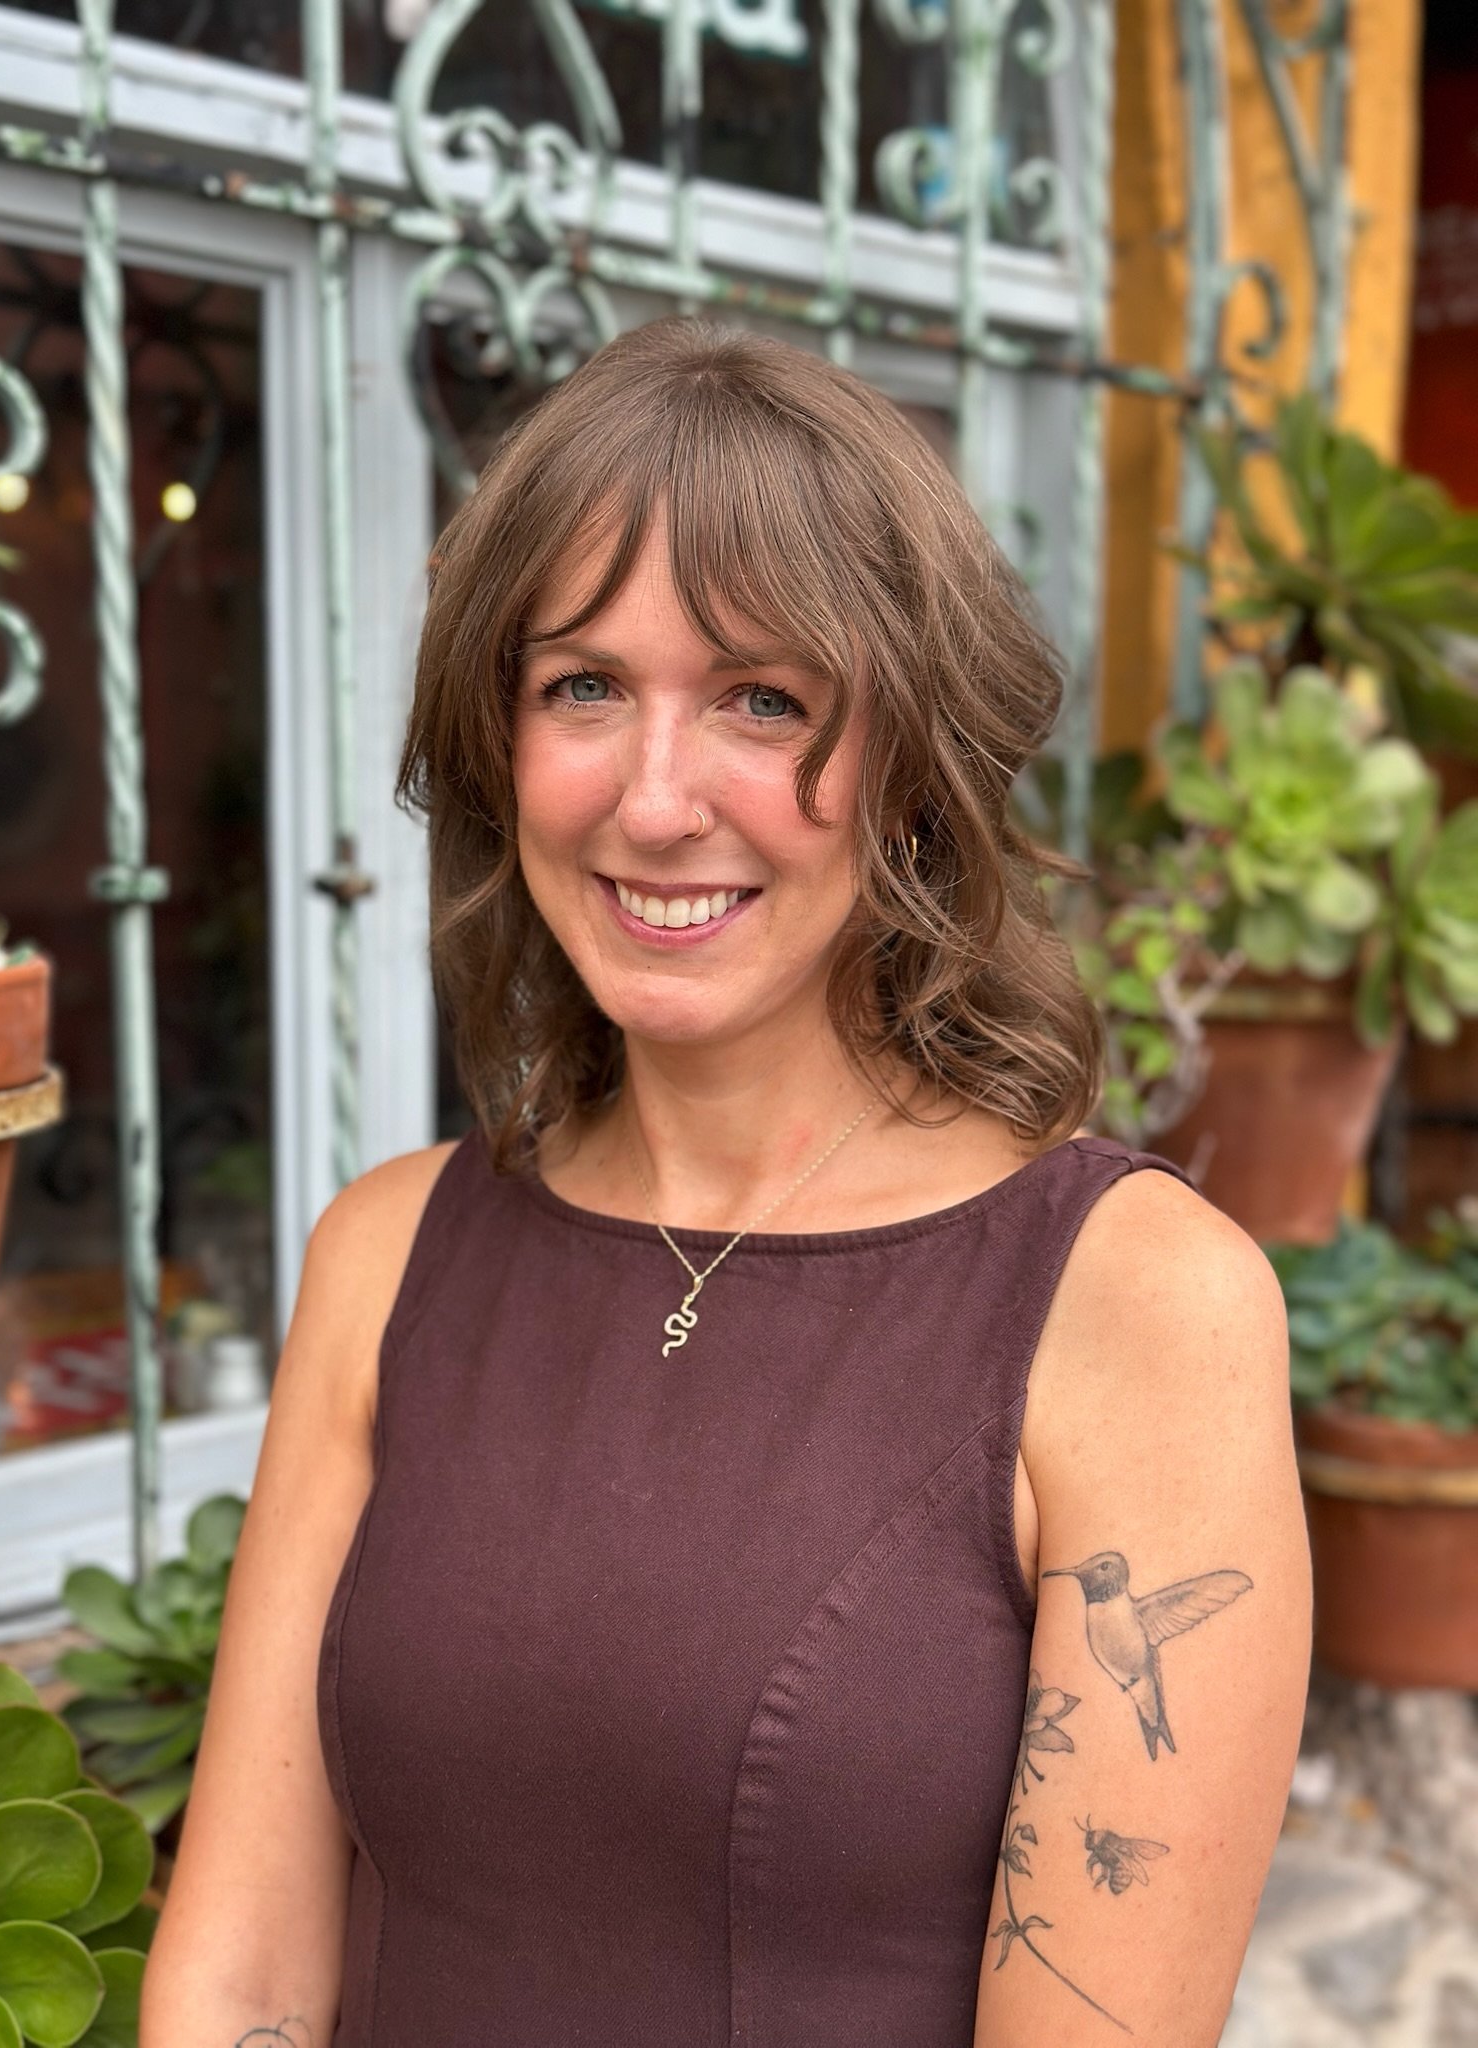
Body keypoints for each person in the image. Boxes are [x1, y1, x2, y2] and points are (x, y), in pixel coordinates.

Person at [142, 318, 1311, 2048]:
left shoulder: (1139, 1304)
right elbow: (241, 1975)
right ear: (497, 740)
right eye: (583, 687)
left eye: (764, 699)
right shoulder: (386, 1257)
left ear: (912, 766)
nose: (656, 799)